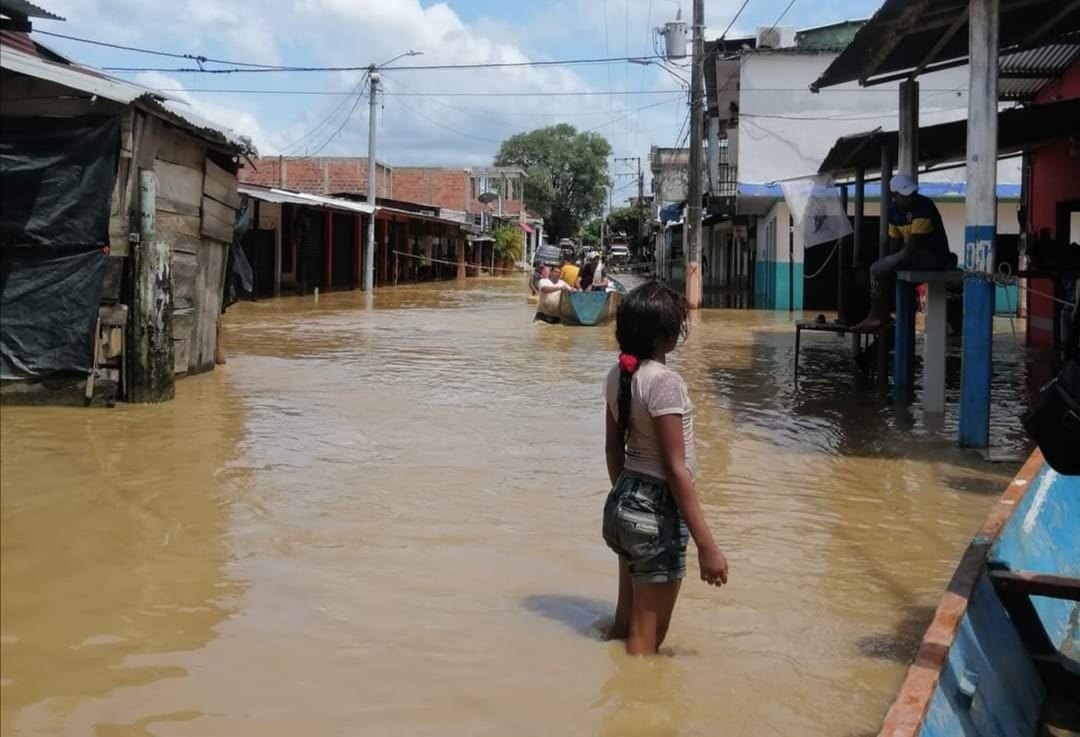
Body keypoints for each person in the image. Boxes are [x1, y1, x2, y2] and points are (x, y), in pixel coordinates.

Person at [602, 283, 729, 655]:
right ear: (668, 337)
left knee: (624, 624)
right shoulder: (664, 383)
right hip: (656, 511)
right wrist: (708, 546)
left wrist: (624, 497)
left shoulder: (618, 376)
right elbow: (676, 470)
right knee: (646, 642)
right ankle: (638, 705)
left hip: (622, 502)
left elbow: (613, 446)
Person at [852, 172, 952, 331]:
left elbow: (914, 242)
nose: (911, 196)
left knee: (877, 269)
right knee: (881, 269)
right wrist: (889, 262)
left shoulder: (924, 206)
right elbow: (894, 241)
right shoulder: (893, 211)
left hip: (933, 257)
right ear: (895, 196)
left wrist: (891, 263)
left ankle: (877, 316)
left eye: (912, 192)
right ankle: (886, 314)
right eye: (906, 194)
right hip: (913, 255)